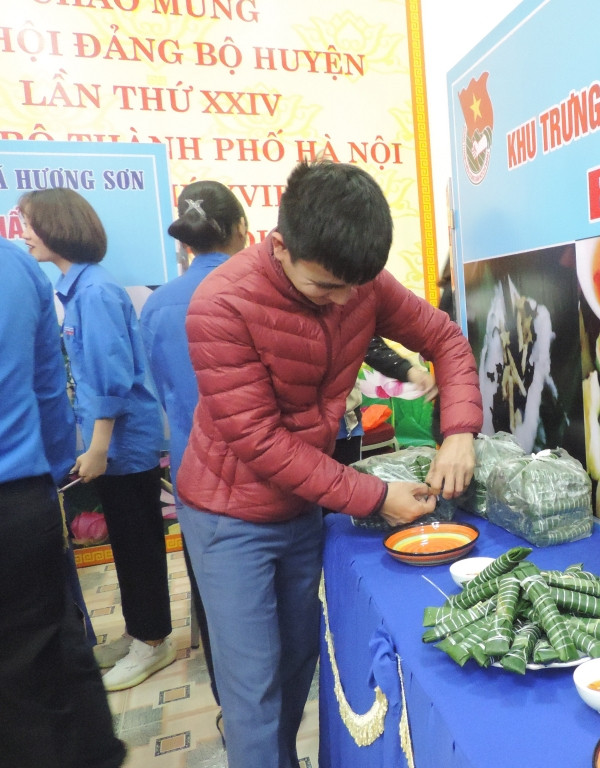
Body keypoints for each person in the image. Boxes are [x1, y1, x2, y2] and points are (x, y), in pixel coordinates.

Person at [175, 160, 482, 768]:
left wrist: (460, 432)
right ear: (281, 246)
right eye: (326, 288)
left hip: (304, 504)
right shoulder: (220, 306)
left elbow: (444, 338)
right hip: (229, 517)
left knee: (298, 666)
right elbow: (260, 442)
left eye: (354, 288)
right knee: (254, 693)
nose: (345, 302)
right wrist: (372, 496)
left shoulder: (357, 283)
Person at [19, 188, 175, 692]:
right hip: (110, 443)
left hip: (123, 446)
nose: (23, 233)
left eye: (30, 223)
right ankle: (139, 631)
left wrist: (98, 448)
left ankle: (154, 641)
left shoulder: (95, 292)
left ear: (58, 228)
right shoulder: (78, 287)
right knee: (127, 544)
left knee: (138, 545)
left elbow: (111, 378)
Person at [0, 236, 127, 768]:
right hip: (18, 499)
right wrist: (51, 474)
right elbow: (49, 390)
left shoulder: (93, 290)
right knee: (42, 662)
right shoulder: (14, 268)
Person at [139, 180, 249, 735]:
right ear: (242, 231)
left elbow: (160, 394)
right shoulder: (258, 295)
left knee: (214, 601)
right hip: (265, 481)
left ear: (185, 242)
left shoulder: (158, 304)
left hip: (196, 481)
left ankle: (233, 708)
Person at [332, 335, 437, 466]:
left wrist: (410, 372)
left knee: (347, 476)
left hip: (346, 420)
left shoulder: (353, 321)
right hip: (306, 425)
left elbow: (368, 343)